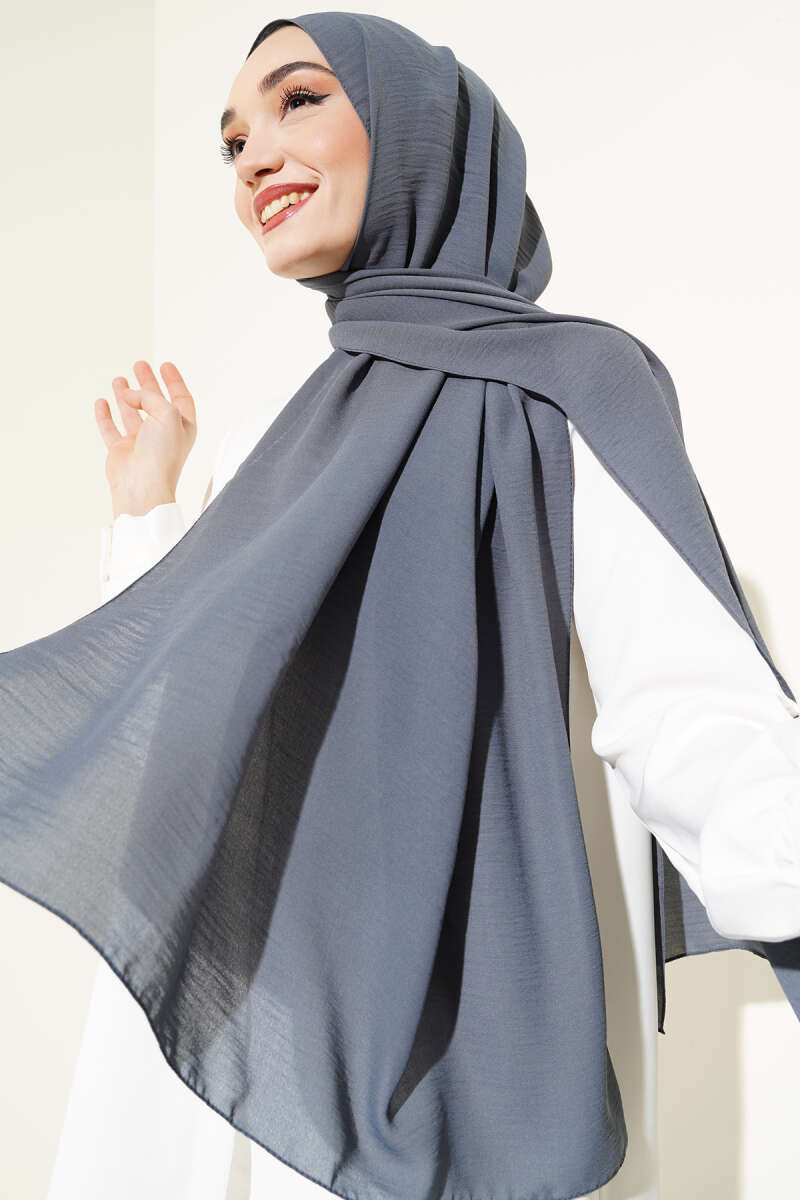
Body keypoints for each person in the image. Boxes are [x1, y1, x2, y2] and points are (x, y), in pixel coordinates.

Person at [5, 14, 800, 1200]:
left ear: (420, 128)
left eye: (297, 100)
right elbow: (175, 743)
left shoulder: (573, 382)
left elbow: (683, 711)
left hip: (450, 1057)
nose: (253, 156)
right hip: (249, 1028)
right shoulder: (279, 435)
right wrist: (148, 517)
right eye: (230, 142)